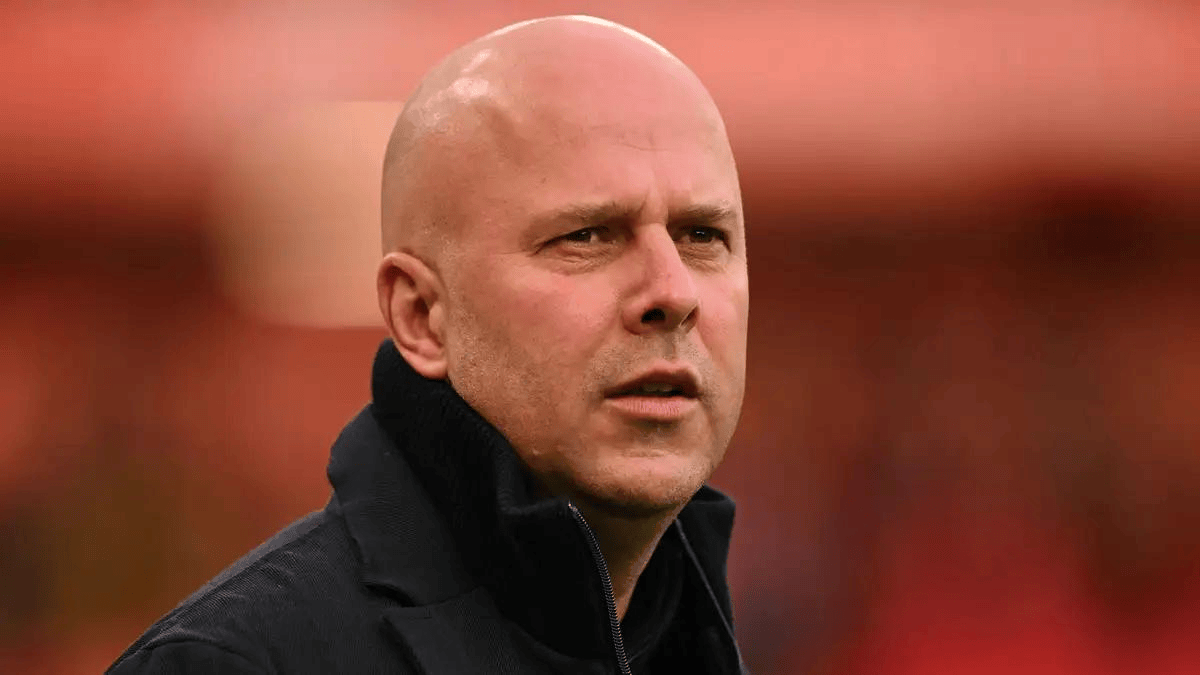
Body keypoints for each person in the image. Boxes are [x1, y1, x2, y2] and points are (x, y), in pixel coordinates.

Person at [109, 14, 749, 674]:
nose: (673, 292)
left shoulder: (700, 644)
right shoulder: (230, 663)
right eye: (586, 236)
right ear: (420, 315)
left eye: (703, 235)